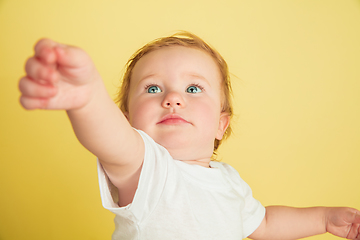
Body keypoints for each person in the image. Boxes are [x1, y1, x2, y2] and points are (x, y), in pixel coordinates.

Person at [19, 32, 360, 240]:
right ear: (126, 120)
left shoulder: (228, 181)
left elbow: (265, 223)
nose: (173, 98)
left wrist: (325, 219)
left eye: (193, 88)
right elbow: (111, 140)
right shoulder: (149, 169)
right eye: (153, 88)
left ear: (220, 126)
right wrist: (88, 98)